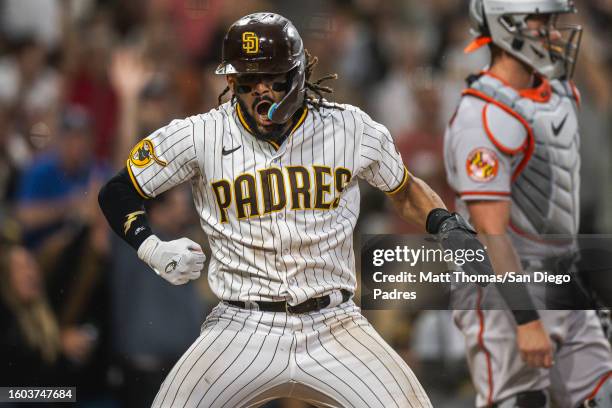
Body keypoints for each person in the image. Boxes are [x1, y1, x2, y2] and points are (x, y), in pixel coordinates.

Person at [99, 12, 485, 407]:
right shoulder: (202, 134)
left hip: (335, 324)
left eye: (274, 77)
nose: (262, 90)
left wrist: (444, 222)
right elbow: (117, 191)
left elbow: (403, 189)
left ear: (299, 73)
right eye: (248, 80)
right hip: (240, 325)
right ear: (231, 81)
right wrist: (152, 248)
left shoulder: (349, 128)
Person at [444, 1, 612, 407]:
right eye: (543, 23)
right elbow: (491, 233)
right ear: (507, 27)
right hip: (504, 295)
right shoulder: (481, 116)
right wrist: (527, 319)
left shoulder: (558, 93)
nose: (555, 33)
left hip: (560, 279)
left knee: (603, 394)